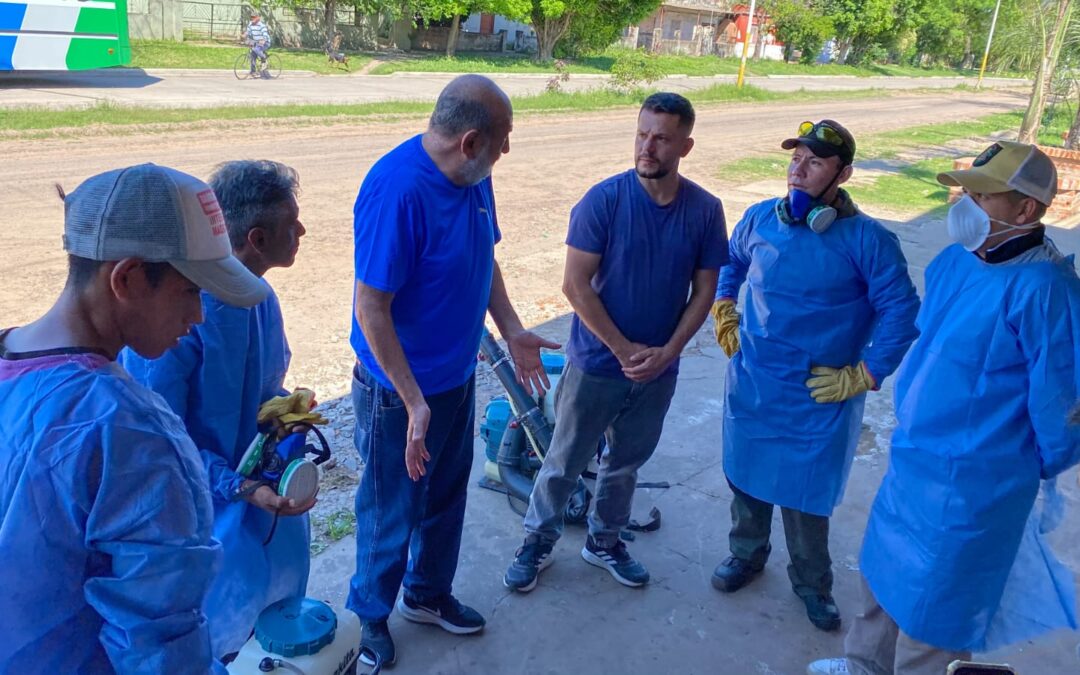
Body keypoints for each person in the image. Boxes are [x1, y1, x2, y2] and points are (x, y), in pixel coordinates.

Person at [809, 141, 1080, 675]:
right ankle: (864, 663)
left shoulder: (1048, 292)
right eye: (966, 192)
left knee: (938, 604)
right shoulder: (956, 261)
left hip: (977, 481)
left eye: (983, 197)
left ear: (1026, 211)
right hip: (915, 456)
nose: (965, 207)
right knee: (884, 570)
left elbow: (1063, 408)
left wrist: (1017, 469)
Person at [0, 163, 268, 673]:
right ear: (125, 277)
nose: (198, 317)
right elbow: (164, 649)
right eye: (191, 291)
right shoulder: (132, 434)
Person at [348, 74, 558, 669]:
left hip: (453, 377)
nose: (507, 151)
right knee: (391, 506)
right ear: (470, 141)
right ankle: (369, 617)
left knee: (445, 494)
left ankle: (427, 594)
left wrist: (512, 329)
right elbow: (373, 309)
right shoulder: (397, 192)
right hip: (399, 393)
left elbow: (482, 257)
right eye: (504, 139)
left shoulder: (474, 178)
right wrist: (413, 402)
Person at [503, 92, 728, 592]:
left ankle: (603, 541)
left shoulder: (706, 210)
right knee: (563, 462)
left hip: (658, 370)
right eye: (642, 134)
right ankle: (537, 541)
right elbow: (575, 286)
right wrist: (624, 349)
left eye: (662, 138)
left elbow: (706, 289)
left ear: (685, 147)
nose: (648, 147)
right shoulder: (603, 200)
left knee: (625, 464)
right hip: (597, 366)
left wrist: (668, 352)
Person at [710, 120, 920, 632]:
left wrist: (865, 374)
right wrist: (724, 305)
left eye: (815, 163)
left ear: (842, 174)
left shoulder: (868, 240)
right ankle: (747, 554)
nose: (798, 171)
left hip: (819, 395)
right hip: (755, 383)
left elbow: (901, 311)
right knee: (746, 480)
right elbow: (732, 262)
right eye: (795, 159)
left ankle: (811, 583)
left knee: (805, 501)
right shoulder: (760, 219)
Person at [121, 160, 313, 658]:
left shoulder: (261, 298)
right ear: (256, 238)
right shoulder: (181, 317)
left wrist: (286, 424)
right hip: (197, 508)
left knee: (271, 612)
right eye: (291, 224)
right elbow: (163, 439)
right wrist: (237, 485)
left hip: (254, 494)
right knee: (208, 626)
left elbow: (266, 389)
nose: (302, 230)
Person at [245, 12, 271, 76]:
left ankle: (264, 59)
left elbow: (264, 33)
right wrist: (244, 35)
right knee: (252, 55)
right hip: (256, 42)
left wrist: (263, 40)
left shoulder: (261, 25)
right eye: (251, 17)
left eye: (254, 17)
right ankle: (253, 71)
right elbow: (248, 32)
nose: (252, 18)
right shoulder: (250, 24)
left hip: (265, 42)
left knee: (256, 49)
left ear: (258, 18)